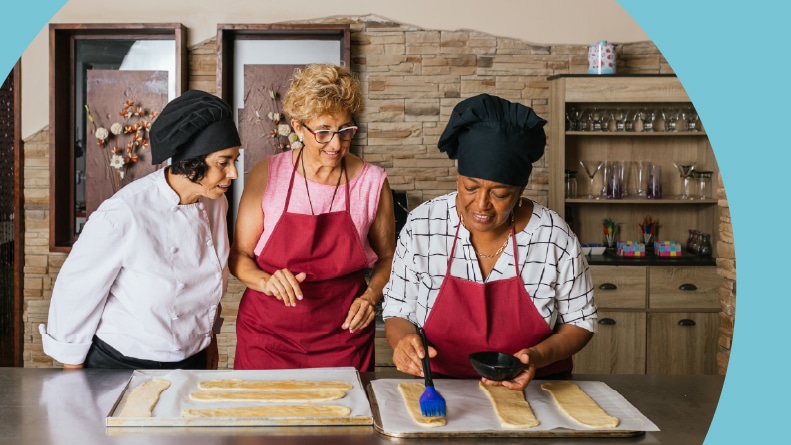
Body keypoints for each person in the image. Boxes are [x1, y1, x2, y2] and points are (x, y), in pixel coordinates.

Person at [382, 93, 597, 390]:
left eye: (500, 194)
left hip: (537, 389)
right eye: (470, 188)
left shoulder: (552, 236)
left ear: (520, 190)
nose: (481, 204)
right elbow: (397, 310)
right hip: (439, 387)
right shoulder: (422, 226)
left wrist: (536, 356)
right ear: (458, 178)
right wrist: (402, 341)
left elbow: (581, 321)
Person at [39, 89, 242, 369]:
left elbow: (204, 292)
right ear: (191, 160)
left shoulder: (215, 204)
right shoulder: (124, 213)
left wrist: (209, 343)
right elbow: (75, 296)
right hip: (121, 364)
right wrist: (73, 383)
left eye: (235, 161)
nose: (233, 173)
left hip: (191, 360)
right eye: (223, 163)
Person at [231, 63, 395, 371]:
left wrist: (371, 297)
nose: (336, 144)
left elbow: (388, 259)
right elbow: (239, 256)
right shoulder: (267, 174)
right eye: (322, 132)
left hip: (344, 337)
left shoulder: (373, 183)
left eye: (345, 130)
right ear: (297, 127)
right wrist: (266, 281)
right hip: (267, 338)